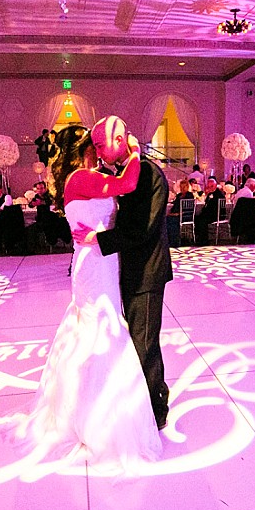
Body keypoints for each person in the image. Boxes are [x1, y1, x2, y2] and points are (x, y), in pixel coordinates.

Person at [7, 123, 161, 475]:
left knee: (97, 327)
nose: (99, 147)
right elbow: (127, 184)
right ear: (84, 149)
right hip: (94, 265)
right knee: (99, 330)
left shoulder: (85, 177)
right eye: (94, 143)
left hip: (100, 261)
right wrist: (135, 152)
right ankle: (98, 417)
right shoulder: (80, 178)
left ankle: (92, 406)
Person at [72, 115, 172, 431]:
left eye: (102, 145)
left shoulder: (149, 175)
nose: (99, 152)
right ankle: (134, 404)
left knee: (144, 343)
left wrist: (97, 239)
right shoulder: (123, 172)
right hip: (125, 271)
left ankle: (155, 410)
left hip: (147, 273)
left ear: (120, 140)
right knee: (132, 340)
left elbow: (142, 229)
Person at [195, 177, 224, 246]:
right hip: (208, 213)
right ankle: (198, 238)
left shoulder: (219, 194)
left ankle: (204, 240)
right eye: (209, 186)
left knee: (203, 220)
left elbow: (215, 207)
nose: (210, 187)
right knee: (196, 218)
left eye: (212, 186)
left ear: (215, 185)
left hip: (216, 214)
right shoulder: (210, 194)